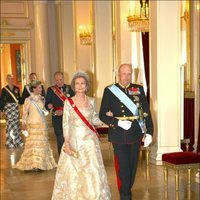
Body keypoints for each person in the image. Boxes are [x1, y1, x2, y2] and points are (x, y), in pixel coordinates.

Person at [51, 71, 111, 200]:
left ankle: (93, 195)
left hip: (90, 143)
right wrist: (66, 144)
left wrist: (107, 119)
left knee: (92, 171)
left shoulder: (92, 101)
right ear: (73, 85)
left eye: (82, 83)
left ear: (86, 86)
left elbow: (94, 120)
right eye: (77, 83)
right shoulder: (68, 102)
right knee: (74, 172)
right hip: (74, 142)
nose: (79, 86)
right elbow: (65, 124)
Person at [99, 64, 153, 200]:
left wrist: (149, 133)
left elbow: (146, 112)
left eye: (129, 74)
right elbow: (102, 115)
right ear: (118, 74)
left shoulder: (138, 89)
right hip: (118, 135)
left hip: (135, 134)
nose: (127, 77)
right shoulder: (110, 90)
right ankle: (125, 196)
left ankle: (126, 189)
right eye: (124, 74)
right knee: (124, 168)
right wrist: (118, 122)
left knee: (132, 168)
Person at [14, 80, 57, 171]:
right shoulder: (28, 100)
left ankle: (41, 163)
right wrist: (24, 124)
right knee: (33, 144)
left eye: (41, 87)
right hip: (32, 124)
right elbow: (25, 113)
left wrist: (48, 108)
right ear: (34, 89)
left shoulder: (42, 98)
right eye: (39, 87)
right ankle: (33, 164)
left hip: (41, 124)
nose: (41, 89)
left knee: (41, 144)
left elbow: (44, 110)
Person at [45, 71, 74, 155]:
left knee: (69, 137)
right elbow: (47, 104)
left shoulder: (70, 88)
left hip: (69, 117)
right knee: (60, 137)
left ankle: (70, 156)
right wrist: (51, 107)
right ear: (55, 80)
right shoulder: (51, 90)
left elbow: (74, 103)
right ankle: (62, 156)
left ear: (63, 78)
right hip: (57, 117)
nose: (59, 82)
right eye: (57, 80)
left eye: (60, 79)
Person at [1, 74, 24, 149]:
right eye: (10, 79)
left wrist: (26, 99)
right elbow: (1, 101)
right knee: (10, 125)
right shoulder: (4, 89)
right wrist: (1, 110)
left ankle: (17, 141)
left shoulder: (17, 88)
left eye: (12, 78)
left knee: (16, 125)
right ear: (7, 80)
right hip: (8, 109)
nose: (12, 80)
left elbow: (20, 100)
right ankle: (10, 142)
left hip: (15, 108)